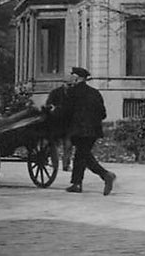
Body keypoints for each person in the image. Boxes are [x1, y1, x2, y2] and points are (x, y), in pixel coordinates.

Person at [63, 67, 116, 195]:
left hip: (79, 130)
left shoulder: (71, 92)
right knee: (81, 155)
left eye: (72, 75)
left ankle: (106, 175)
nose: (70, 77)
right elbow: (103, 114)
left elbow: (66, 113)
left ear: (77, 78)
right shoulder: (95, 93)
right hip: (93, 131)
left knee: (84, 156)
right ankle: (76, 184)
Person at [42, 81, 74, 171]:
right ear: (63, 84)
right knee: (54, 144)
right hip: (56, 123)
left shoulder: (74, 94)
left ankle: (66, 165)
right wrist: (52, 108)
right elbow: (48, 104)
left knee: (68, 145)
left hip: (68, 123)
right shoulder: (55, 92)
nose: (69, 86)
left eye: (71, 85)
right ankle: (54, 163)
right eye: (68, 84)